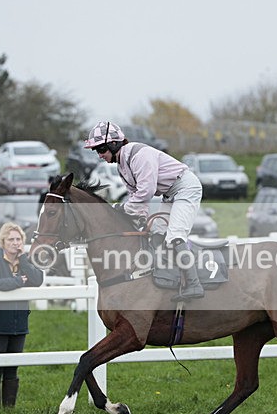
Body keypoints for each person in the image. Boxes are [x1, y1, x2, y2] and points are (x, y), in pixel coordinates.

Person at [84, 121, 205, 301]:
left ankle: (194, 284)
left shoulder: (139, 155)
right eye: (97, 151)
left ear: (114, 144)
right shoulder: (122, 166)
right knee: (156, 232)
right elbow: (136, 197)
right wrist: (137, 218)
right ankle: (166, 277)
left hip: (186, 188)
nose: (100, 155)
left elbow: (146, 191)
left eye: (101, 149)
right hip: (170, 194)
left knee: (175, 236)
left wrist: (122, 208)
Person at [0, 222, 44, 408]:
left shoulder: (25, 260)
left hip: (19, 324)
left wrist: (24, 262)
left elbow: (38, 280)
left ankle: (8, 411)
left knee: (12, 367)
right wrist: (17, 282)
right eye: (11, 239)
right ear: (3, 242)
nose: (15, 243)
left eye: (18, 239)